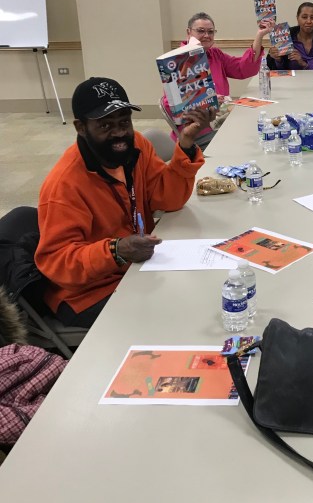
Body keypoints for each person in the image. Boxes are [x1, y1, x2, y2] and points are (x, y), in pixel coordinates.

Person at [35, 77, 209, 328]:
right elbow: (57, 262)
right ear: (80, 127)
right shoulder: (64, 186)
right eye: (105, 125)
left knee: (198, 293)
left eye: (124, 121)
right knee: (174, 316)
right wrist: (115, 251)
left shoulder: (136, 145)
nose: (119, 133)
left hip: (137, 265)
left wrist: (186, 145)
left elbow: (168, 199)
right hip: (88, 292)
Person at [163, 12, 274, 149]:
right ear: (189, 32)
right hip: (196, 130)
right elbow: (170, 104)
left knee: (259, 127)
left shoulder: (215, 55)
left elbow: (243, 68)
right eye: (201, 31)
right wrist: (204, 99)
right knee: (248, 141)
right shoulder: (177, 61)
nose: (206, 35)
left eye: (210, 32)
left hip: (222, 119)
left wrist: (260, 35)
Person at [266, 2, 313, 71]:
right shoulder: (285, 39)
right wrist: (278, 60)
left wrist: (304, 64)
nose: (309, 21)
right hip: (292, 84)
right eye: (304, 17)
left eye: (312, 17)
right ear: (297, 18)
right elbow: (278, 73)